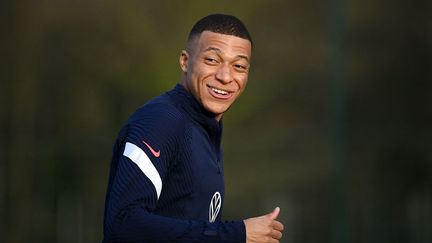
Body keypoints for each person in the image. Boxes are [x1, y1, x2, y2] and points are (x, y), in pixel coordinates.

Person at [102, 13, 284, 242]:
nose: (225, 76)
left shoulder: (206, 130)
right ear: (185, 61)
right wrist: (237, 234)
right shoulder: (160, 121)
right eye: (212, 60)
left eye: (238, 66)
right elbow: (123, 225)